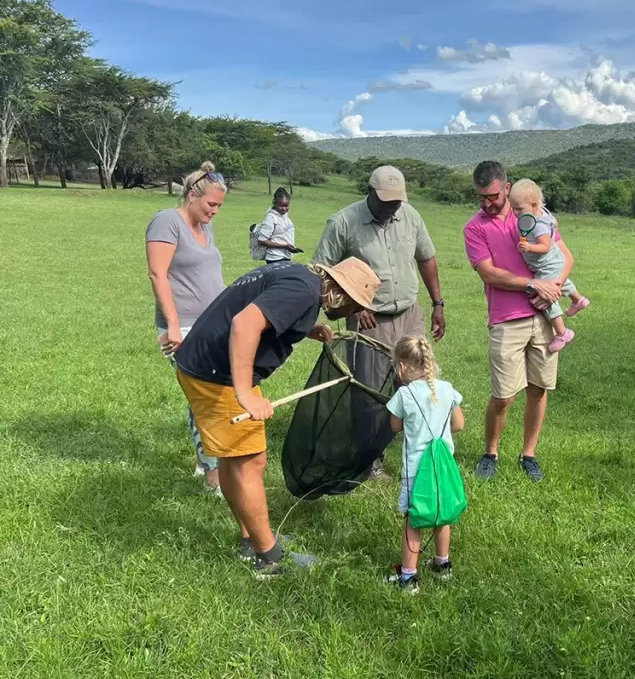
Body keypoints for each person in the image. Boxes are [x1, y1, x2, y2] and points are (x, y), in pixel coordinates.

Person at [174, 257, 381, 577]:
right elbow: (244, 324)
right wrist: (244, 393)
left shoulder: (297, 274)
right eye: (354, 306)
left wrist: (304, 326)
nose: (352, 314)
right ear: (342, 293)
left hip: (200, 364)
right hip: (219, 376)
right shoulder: (303, 292)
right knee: (250, 463)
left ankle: (252, 540)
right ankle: (270, 559)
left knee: (234, 460)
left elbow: (264, 305)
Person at [311, 164, 445, 482]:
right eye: (386, 201)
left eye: (396, 201)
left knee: (417, 385)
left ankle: (422, 451)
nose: (391, 207)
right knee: (370, 391)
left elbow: (426, 258)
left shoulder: (410, 216)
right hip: (370, 321)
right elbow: (319, 272)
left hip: (409, 315)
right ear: (370, 192)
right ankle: (371, 459)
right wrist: (351, 309)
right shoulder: (343, 222)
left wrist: (438, 303)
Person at [464, 161, 575, 483]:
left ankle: (529, 454)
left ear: (507, 187)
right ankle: (490, 451)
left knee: (539, 390)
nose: (487, 203)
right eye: (480, 197)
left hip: (544, 315)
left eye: (493, 196)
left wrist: (553, 287)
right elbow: (488, 272)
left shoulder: (530, 212)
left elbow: (565, 256)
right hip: (506, 319)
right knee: (503, 395)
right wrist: (532, 284)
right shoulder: (475, 227)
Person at [145, 161, 227, 496]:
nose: (215, 212)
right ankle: (213, 477)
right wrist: (174, 326)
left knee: (203, 395)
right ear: (192, 195)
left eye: (220, 206)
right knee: (208, 398)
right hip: (183, 328)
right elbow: (157, 274)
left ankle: (202, 461)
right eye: (211, 204)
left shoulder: (204, 226)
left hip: (210, 324)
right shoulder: (167, 221)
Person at [385, 335, 465, 593]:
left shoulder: (404, 394)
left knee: (414, 519)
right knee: (442, 515)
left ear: (402, 367)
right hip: (443, 467)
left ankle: (408, 578)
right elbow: (459, 424)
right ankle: (443, 565)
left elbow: (395, 426)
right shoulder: (447, 389)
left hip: (416, 471)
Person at [508, 179, 590, 353]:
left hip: (545, 264)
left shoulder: (537, 226)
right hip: (556, 261)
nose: (514, 212)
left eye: (519, 209)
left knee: (546, 295)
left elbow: (544, 247)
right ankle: (578, 300)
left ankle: (562, 332)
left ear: (534, 204)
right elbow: (554, 223)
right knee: (562, 283)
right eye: (512, 207)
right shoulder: (543, 214)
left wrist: (529, 247)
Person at [256, 188, 301, 264]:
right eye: (281, 206)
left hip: (285, 256)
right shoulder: (271, 217)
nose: (284, 209)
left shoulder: (284, 216)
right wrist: (285, 246)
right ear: (275, 204)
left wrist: (290, 247)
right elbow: (262, 240)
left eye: (286, 206)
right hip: (275, 257)